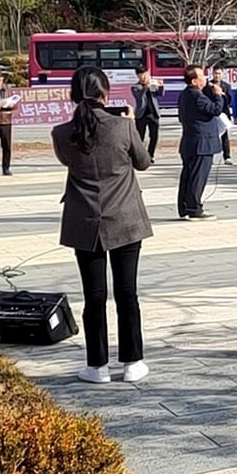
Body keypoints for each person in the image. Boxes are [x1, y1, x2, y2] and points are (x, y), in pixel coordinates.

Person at [51, 67, 153, 385]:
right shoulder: (122, 126)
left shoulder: (61, 133)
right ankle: (133, 362)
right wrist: (132, 122)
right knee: (127, 293)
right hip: (125, 216)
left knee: (94, 296)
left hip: (85, 220)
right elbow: (143, 161)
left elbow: (68, 161)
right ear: (105, 93)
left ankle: (97, 366)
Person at [177, 65, 224, 221]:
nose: (205, 79)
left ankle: (184, 206)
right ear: (194, 81)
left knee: (188, 175)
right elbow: (215, 110)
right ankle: (194, 208)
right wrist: (218, 95)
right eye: (202, 77)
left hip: (190, 141)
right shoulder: (197, 96)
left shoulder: (185, 94)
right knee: (198, 176)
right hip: (201, 143)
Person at [132, 65, 163, 160]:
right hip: (141, 115)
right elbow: (139, 97)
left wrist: (161, 86)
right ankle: (140, 156)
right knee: (140, 137)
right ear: (138, 76)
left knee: (154, 136)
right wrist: (145, 87)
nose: (145, 77)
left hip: (153, 113)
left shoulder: (152, 84)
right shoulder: (135, 87)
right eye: (142, 76)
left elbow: (159, 94)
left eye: (146, 75)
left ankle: (150, 155)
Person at [209, 66, 235, 165]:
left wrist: (222, 94)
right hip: (212, 113)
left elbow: (229, 100)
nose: (217, 75)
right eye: (216, 73)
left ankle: (227, 156)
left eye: (219, 73)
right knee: (211, 136)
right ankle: (210, 156)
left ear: (222, 74)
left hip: (223, 113)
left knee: (225, 136)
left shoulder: (226, 86)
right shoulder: (209, 85)